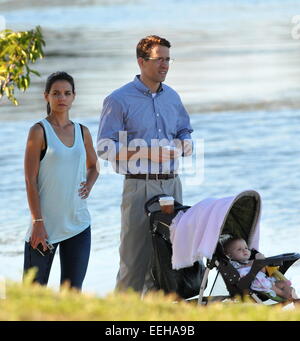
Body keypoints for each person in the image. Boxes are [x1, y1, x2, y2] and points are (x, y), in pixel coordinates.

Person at [97, 35, 193, 293]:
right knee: (134, 262)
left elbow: (185, 129)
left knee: (168, 262)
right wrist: (146, 152)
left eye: (168, 59)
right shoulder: (118, 100)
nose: (165, 65)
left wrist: (186, 144)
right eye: (159, 59)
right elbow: (104, 148)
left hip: (173, 186)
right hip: (140, 188)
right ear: (141, 62)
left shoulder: (172, 96)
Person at [23, 71, 99, 290]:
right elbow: (30, 180)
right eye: (56, 93)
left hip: (79, 225)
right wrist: (38, 223)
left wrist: (89, 185)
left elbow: (94, 166)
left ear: (74, 96)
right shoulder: (38, 131)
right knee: (32, 295)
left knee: (72, 294)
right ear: (46, 96)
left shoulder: (82, 131)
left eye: (67, 93)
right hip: (44, 228)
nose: (62, 98)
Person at [223, 237, 296, 300]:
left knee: (284, 284)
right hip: (257, 284)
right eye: (239, 249)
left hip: (265, 280)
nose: (245, 250)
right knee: (278, 290)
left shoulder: (250, 261)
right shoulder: (234, 265)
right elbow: (241, 273)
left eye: (246, 248)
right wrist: (253, 263)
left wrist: (262, 264)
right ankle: (286, 295)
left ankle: (292, 295)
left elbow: (262, 272)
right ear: (230, 255)